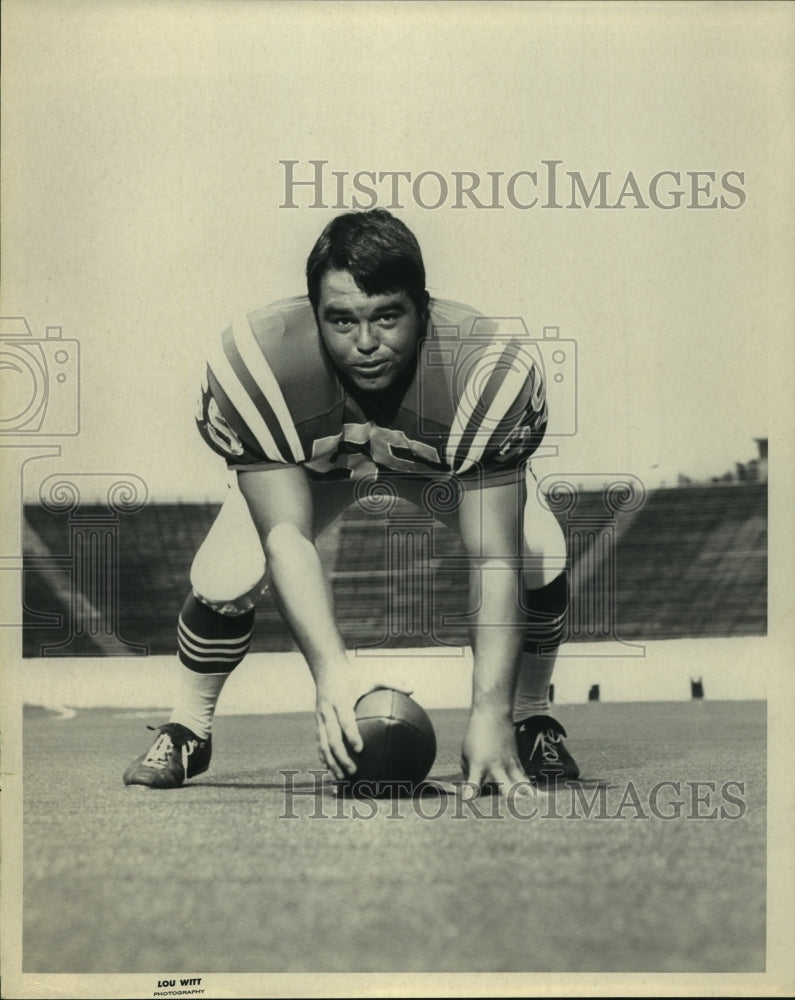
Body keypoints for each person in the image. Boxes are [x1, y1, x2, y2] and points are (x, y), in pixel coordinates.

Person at [123, 209, 579, 793]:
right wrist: (332, 673)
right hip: (320, 473)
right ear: (314, 313)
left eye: (387, 316)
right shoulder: (263, 361)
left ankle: (529, 716)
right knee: (224, 575)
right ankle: (189, 727)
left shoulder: (484, 371)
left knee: (539, 548)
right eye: (341, 320)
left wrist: (489, 715)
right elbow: (285, 533)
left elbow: (493, 557)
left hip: (440, 472)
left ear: (423, 306)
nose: (365, 344)